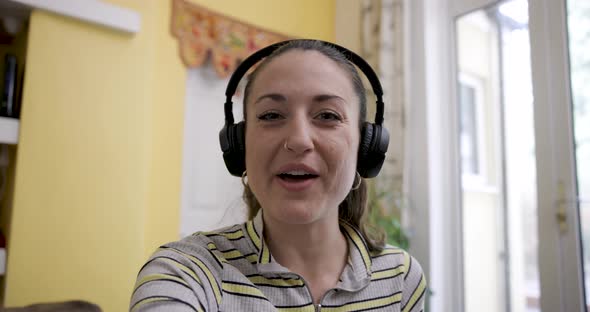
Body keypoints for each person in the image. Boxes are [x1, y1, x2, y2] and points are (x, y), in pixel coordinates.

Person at [130, 39, 426, 311]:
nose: (298, 140)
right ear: (239, 145)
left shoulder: (401, 277)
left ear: (366, 148)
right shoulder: (185, 273)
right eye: (271, 115)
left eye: (328, 115)